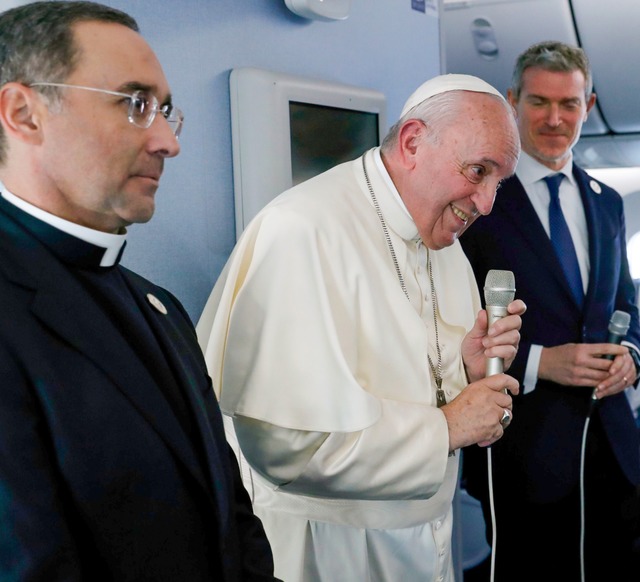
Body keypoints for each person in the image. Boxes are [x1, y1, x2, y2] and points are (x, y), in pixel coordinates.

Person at [196, 73, 525, 582]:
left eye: (498, 182)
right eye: (477, 171)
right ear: (413, 141)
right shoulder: (303, 230)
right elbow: (286, 444)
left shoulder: (444, 241)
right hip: (327, 547)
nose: (486, 204)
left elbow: (419, 383)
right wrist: (447, 427)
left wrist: (465, 368)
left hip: (421, 537)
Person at [0, 2, 278, 580]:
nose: (167, 142)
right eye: (134, 105)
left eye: (165, 111)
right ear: (24, 114)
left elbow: (230, 516)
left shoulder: (160, 306)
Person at [460, 41, 640, 581]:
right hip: (523, 448)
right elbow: (450, 326)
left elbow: (627, 306)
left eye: (569, 104)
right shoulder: (481, 201)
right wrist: (540, 362)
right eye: (539, 102)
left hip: (614, 445)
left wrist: (632, 354)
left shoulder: (606, 200)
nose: (555, 119)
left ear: (589, 106)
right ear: (513, 101)